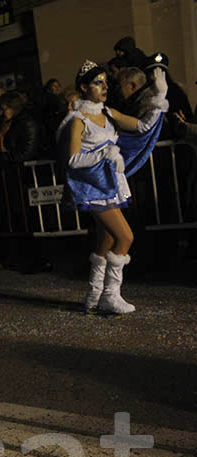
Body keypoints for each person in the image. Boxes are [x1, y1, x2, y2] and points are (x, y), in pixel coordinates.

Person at [57, 59, 167, 313]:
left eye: (106, 82)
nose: (104, 87)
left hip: (110, 185)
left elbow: (142, 127)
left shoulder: (108, 113)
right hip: (93, 188)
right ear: (84, 87)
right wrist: (104, 154)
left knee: (105, 239)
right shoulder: (77, 119)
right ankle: (110, 295)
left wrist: (160, 95)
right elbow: (72, 160)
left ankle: (94, 295)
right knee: (125, 236)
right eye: (98, 83)